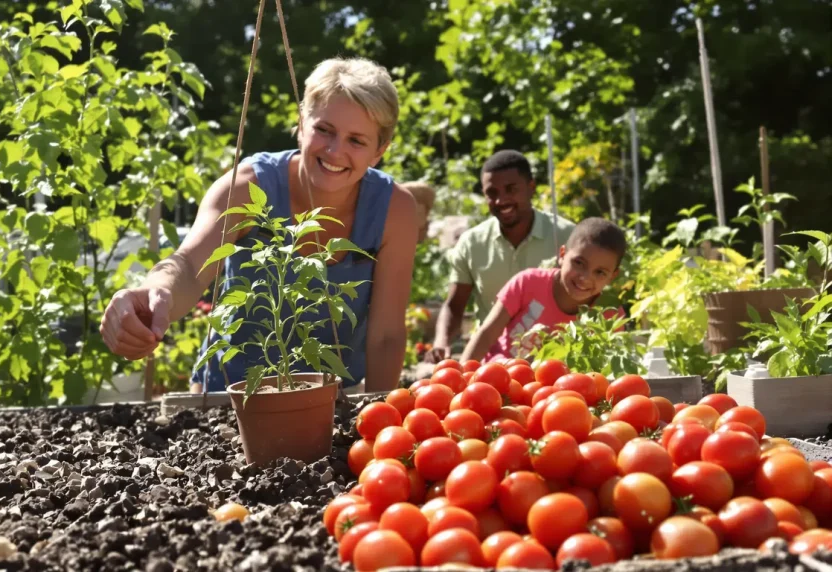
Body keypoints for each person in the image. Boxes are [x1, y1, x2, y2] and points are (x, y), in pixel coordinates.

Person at [99, 57, 418, 395]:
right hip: (230, 398)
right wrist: (155, 292)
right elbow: (191, 266)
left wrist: (380, 418)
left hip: (332, 403)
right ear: (301, 123)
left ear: (380, 150)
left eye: (357, 140)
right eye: (324, 130)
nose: (335, 151)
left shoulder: (394, 210)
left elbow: (386, 336)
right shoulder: (247, 187)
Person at [425, 150, 576, 363]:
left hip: (555, 362)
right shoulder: (472, 243)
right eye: (491, 192)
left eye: (511, 189)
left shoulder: (567, 237)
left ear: (531, 187)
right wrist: (441, 342)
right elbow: (454, 305)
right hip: (493, 362)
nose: (501, 200)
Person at [459, 217, 627, 362]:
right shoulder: (528, 283)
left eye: (600, 272)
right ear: (562, 255)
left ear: (612, 276)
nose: (585, 277)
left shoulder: (609, 315)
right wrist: (460, 376)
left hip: (558, 392)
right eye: (578, 263)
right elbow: (486, 334)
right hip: (500, 375)